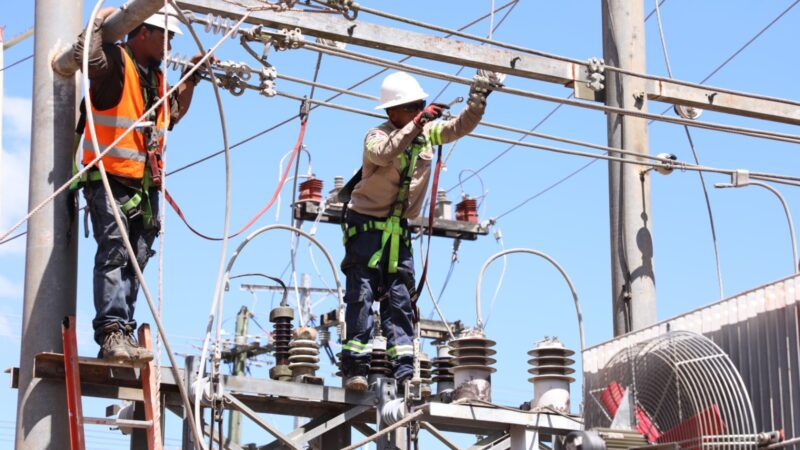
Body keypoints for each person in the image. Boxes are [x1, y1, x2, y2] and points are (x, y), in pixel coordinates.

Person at [340, 71, 497, 391]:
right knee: (362, 295)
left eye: (420, 106)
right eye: (412, 107)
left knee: (400, 300)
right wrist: (416, 124)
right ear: (391, 111)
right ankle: (356, 368)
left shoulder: (426, 134)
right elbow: (384, 153)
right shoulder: (375, 136)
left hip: (399, 232)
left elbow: (459, 127)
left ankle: (404, 371)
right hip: (365, 228)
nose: (418, 111)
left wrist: (477, 101)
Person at [74, 6, 208, 363]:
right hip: (111, 179)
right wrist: (101, 20)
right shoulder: (116, 64)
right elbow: (87, 57)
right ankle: (111, 332)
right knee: (115, 253)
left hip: (144, 187)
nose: (169, 44)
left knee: (137, 259)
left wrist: (191, 78)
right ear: (143, 31)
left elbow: (172, 115)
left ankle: (124, 330)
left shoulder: (156, 78)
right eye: (165, 36)